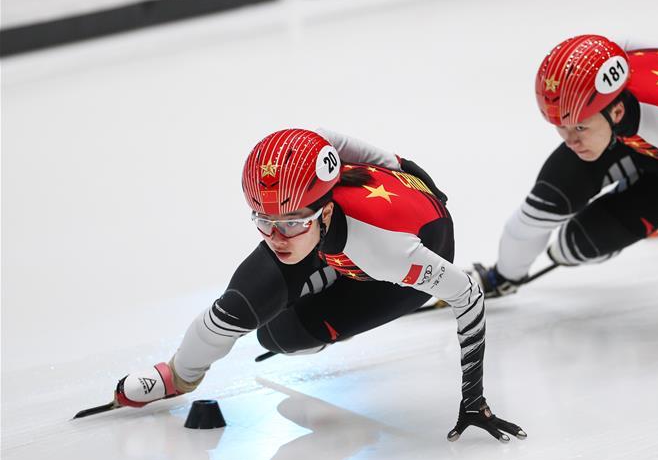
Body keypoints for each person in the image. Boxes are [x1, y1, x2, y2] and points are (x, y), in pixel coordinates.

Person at [108, 128, 526, 443]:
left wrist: (474, 399)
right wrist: (400, 165)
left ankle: (329, 277)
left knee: (285, 336)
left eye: (290, 223)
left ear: (324, 210)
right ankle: (178, 375)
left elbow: (467, 296)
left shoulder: (386, 250)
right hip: (342, 233)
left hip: (408, 253)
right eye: (262, 220)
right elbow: (339, 146)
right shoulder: (300, 163)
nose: (276, 237)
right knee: (249, 316)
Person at [468, 34, 658, 297]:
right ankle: (503, 277)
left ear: (615, 111)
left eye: (580, 128)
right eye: (561, 126)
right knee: (541, 207)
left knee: (575, 246)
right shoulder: (603, 88)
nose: (569, 140)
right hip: (624, 137)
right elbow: (621, 42)